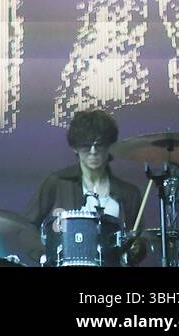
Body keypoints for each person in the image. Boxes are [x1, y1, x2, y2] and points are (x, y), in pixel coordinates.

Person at [24, 109, 148, 265]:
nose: (93, 152)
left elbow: (139, 241)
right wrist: (44, 255)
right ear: (74, 147)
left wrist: (137, 249)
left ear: (109, 146)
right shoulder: (56, 182)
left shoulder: (129, 193)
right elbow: (25, 226)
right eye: (85, 146)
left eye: (100, 145)